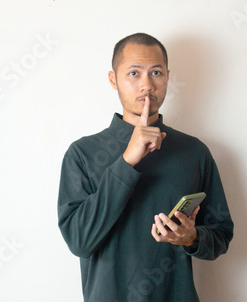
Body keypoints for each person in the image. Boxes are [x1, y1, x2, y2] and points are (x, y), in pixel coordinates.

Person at [58, 32, 233, 302]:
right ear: (113, 79)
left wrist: (192, 237)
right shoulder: (82, 154)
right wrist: (127, 161)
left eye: (156, 73)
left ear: (167, 77)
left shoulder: (194, 152)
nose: (146, 85)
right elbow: (80, 241)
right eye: (134, 73)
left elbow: (221, 236)